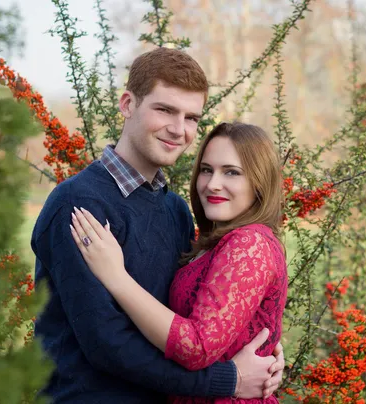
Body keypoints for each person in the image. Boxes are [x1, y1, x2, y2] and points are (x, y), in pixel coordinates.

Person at [32, 48, 285, 403]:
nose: (178, 129)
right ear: (127, 104)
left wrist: (262, 344)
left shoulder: (176, 210)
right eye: (165, 110)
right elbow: (106, 344)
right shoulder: (80, 204)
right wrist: (227, 379)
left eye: (191, 117)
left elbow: (194, 316)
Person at [71, 122, 288, 403]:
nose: (212, 184)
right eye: (207, 170)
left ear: (260, 183)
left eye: (232, 172)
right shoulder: (216, 241)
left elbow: (196, 346)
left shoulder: (250, 243)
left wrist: (115, 276)